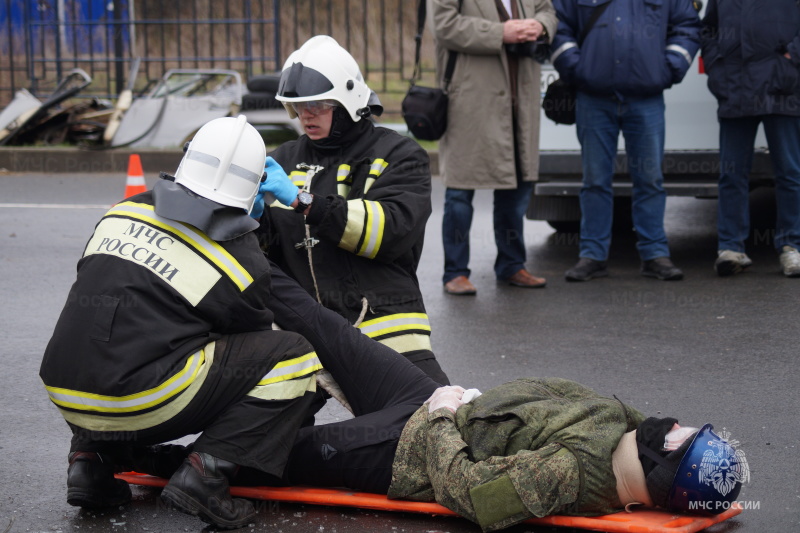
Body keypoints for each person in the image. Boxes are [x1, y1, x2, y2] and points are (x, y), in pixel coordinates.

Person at [130, 264, 749, 531]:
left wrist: (445, 419)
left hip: (410, 448)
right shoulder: (631, 433)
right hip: (433, 399)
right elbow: (657, 434)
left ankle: (126, 451)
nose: (674, 424)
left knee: (273, 451)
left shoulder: (568, 475)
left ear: (664, 470)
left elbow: (471, 494)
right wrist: (450, 403)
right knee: (317, 322)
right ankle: (228, 247)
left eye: (682, 438)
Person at [39, 116, 322, 530]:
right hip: (141, 402)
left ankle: (89, 465)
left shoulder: (120, 211)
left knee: (117, 331)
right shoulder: (242, 261)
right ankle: (206, 475)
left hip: (65, 391)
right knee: (291, 357)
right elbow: (249, 343)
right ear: (253, 189)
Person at [256, 35, 449, 385]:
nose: (306, 116)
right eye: (299, 107)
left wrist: (304, 202)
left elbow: (391, 231)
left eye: (318, 105)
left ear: (347, 104)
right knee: (261, 424)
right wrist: (254, 220)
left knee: (435, 417)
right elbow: (265, 253)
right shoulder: (283, 159)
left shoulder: (400, 155)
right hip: (302, 328)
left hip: (383, 322)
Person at [551, 0, 702, 282]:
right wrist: (575, 67)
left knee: (650, 179)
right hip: (593, 98)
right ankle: (593, 256)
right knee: (595, 181)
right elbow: (559, 25)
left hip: (646, 99)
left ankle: (655, 254)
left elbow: (687, 25)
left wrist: (669, 67)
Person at [429, 0, 557, 295]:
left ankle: (512, 265)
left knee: (518, 186)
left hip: (519, 99)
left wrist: (540, 26)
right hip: (471, 102)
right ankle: (455, 272)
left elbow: (548, 11)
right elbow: (445, 26)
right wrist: (501, 32)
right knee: (461, 190)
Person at [701, 1, 800, 278]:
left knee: (790, 173)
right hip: (736, 88)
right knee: (732, 175)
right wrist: (716, 65)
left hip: (782, 89)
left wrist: (792, 58)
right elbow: (708, 29)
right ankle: (731, 249)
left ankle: (792, 247)